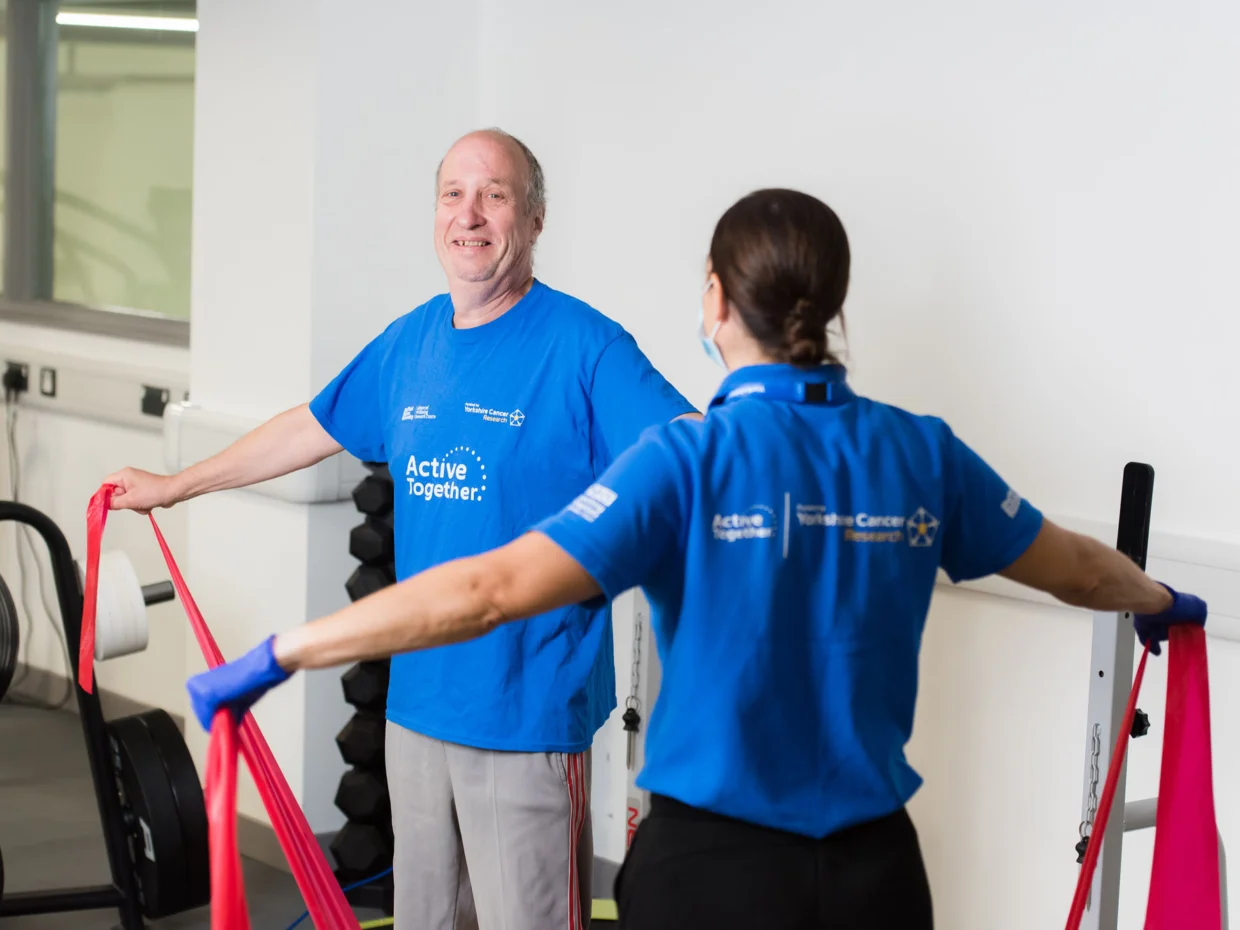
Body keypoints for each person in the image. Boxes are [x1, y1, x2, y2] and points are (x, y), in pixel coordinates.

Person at [185, 187, 1208, 930]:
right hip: (876, 877)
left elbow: (487, 589)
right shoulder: (918, 452)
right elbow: (1077, 568)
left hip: (714, 871)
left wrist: (288, 649)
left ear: (714, 300)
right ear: (831, 307)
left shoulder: (687, 459)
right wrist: (1162, 601)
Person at [104, 128, 698, 930]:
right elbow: (308, 427)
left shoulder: (585, 347)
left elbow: (688, 451)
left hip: (526, 712)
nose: (471, 214)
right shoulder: (411, 342)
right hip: (417, 708)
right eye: (454, 193)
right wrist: (177, 486)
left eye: (495, 194)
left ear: (536, 216)